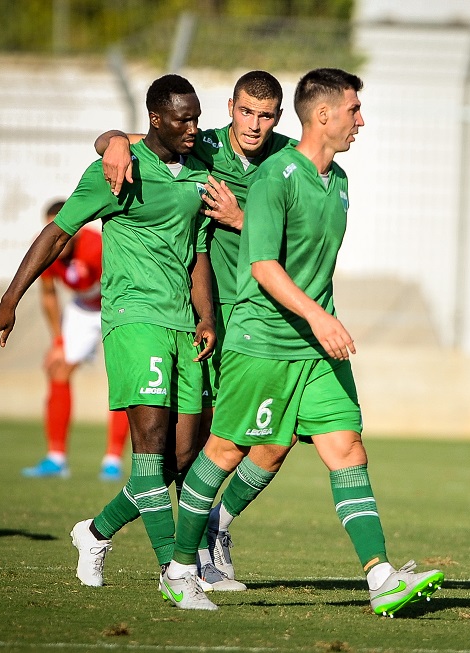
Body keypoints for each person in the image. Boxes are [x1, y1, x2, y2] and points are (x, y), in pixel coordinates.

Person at [159, 68, 444, 615]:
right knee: (223, 451)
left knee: (347, 448)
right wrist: (320, 317)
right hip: (262, 340)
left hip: (314, 349)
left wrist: (320, 321)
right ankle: (179, 569)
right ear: (323, 115)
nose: (361, 120)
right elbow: (263, 265)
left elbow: (308, 265)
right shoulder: (276, 177)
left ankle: (380, 576)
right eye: (354, 110)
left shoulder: (337, 181)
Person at [0, 73, 215, 590]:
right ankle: (175, 573)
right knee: (151, 449)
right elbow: (57, 232)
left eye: (197, 118)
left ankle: (95, 531)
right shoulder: (116, 171)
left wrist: (205, 316)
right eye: (184, 119)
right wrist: (9, 300)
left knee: (181, 459)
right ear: (155, 120)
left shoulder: (199, 169)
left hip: (183, 324)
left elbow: (198, 252)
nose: (193, 128)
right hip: (134, 320)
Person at [94, 70, 296, 591]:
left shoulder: (291, 162)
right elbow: (139, 138)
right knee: (189, 450)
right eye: (246, 111)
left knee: (278, 437)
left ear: (279, 118)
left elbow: (298, 237)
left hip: (265, 317)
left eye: (266, 114)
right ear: (230, 108)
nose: (254, 125)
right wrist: (113, 140)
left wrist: (239, 217)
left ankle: (211, 522)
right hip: (210, 318)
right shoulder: (200, 143)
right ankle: (189, 552)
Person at [21, 199, 130, 482]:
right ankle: (56, 459)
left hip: (115, 305)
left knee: (123, 378)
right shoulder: (45, 248)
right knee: (58, 367)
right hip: (83, 307)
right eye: (52, 227)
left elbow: (122, 282)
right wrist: (58, 340)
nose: (58, 233)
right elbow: (48, 294)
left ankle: (113, 460)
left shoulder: (97, 246)